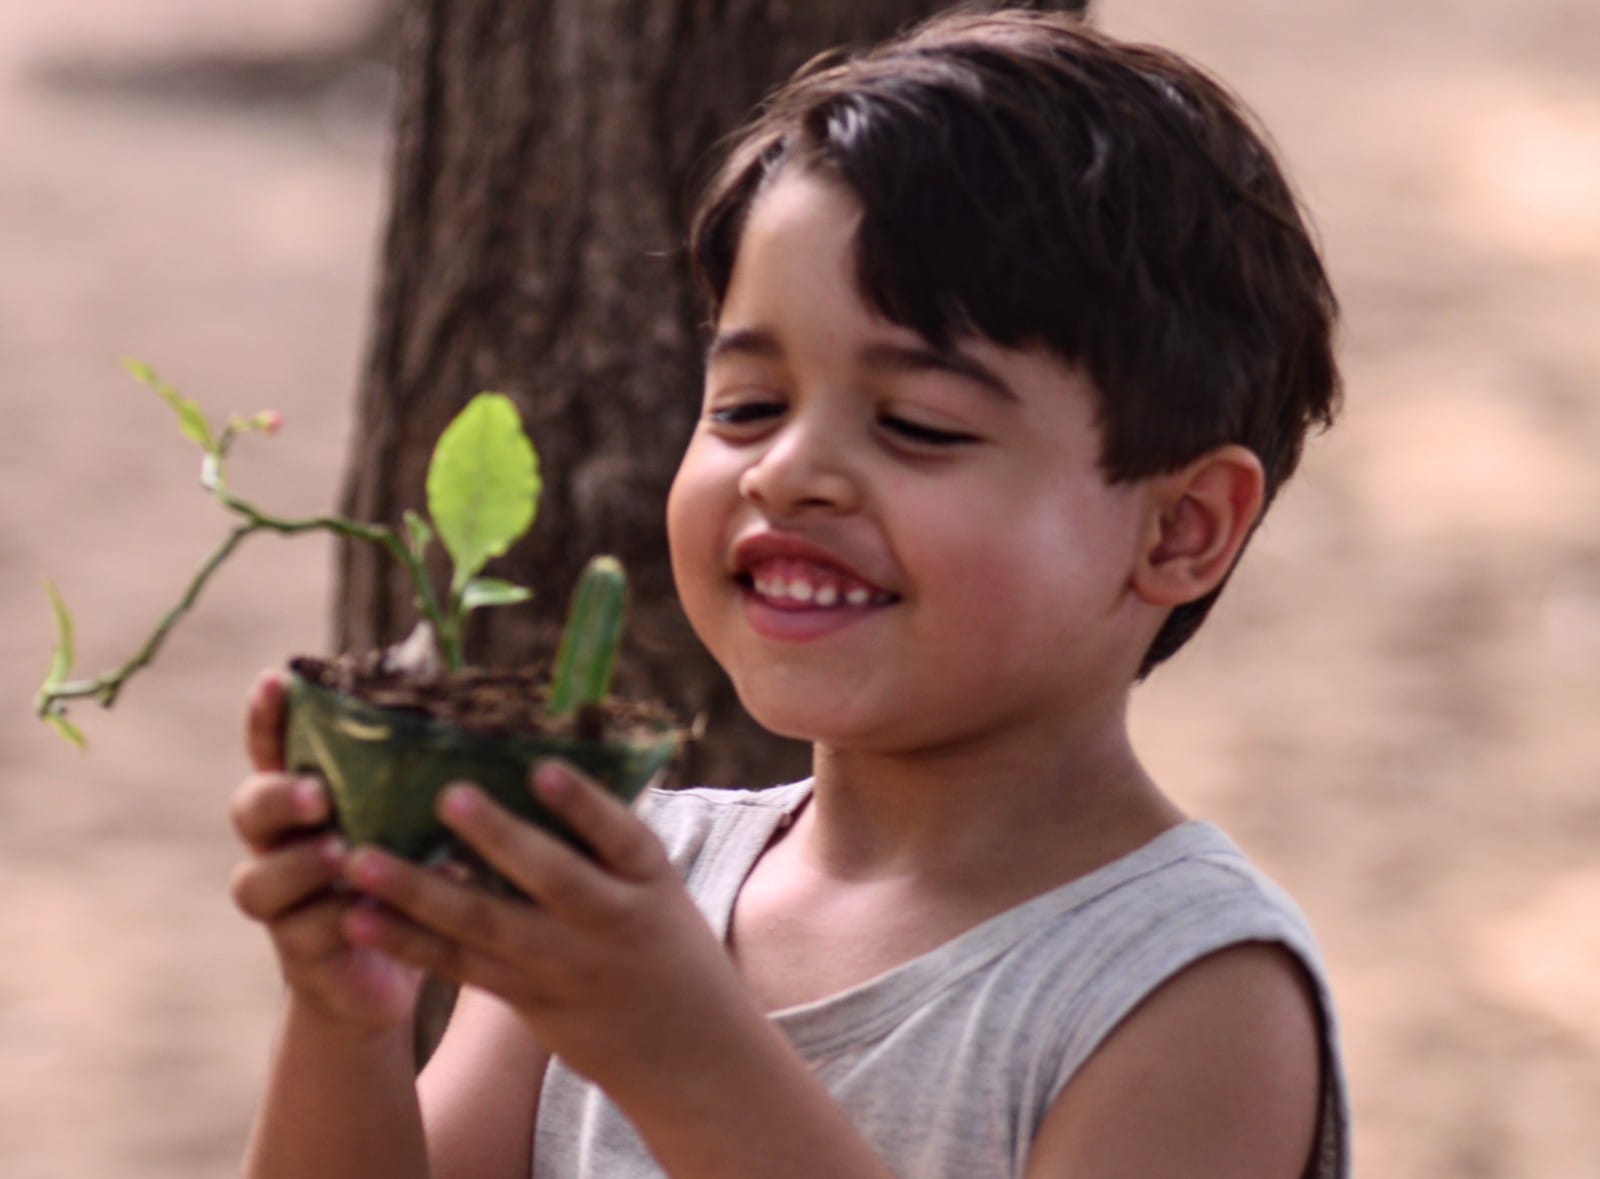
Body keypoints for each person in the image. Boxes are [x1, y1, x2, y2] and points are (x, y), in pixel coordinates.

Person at [228, 9, 1348, 1177]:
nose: (786, 470)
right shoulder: (631, 879)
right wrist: (344, 1015)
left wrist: (675, 1045)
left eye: (916, 425)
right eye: (746, 407)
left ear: (1179, 527)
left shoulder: (1184, 986)